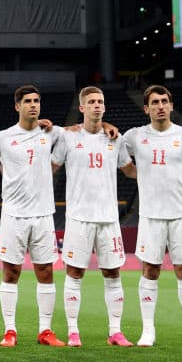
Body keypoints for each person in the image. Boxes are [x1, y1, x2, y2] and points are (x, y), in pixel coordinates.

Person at [122, 85, 182, 348]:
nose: (160, 105)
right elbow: (117, 152)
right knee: (150, 270)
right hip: (151, 215)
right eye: (155, 102)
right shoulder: (135, 136)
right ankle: (148, 331)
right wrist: (138, 173)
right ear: (146, 108)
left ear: (171, 106)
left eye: (164, 101)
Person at [0, 84, 65, 348]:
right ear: (17, 106)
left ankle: (45, 331)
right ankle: (10, 331)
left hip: (43, 215)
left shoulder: (51, 134)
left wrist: (107, 124)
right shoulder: (4, 137)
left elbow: (83, 129)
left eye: (37, 101)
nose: (33, 105)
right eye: (27, 101)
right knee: (11, 271)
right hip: (14, 215)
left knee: (45, 271)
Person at [50, 86, 133, 348]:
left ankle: (116, 332)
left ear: (104, 107)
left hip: (109, 218)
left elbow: (129, 170)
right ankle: (73, 331)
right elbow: (51, 168)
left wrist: (161, 175)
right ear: (82, 107)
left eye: (101, 102)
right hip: (78, 217)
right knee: (74, 273)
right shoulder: (68, 137)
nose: (97, 105)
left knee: (113, 273)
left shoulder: (115, 138)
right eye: (92, 102)